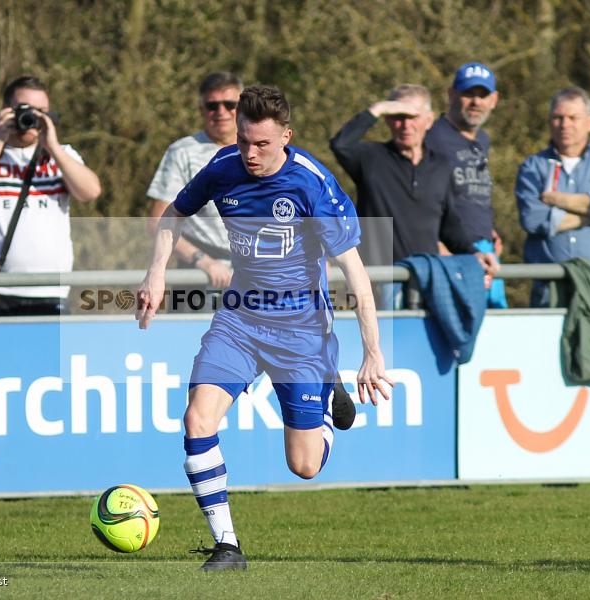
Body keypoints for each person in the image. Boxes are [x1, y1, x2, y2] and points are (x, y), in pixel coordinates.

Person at [136, 85, 393, 571]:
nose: (250, 154)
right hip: (239, 319)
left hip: (301, 331)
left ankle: (325, 384)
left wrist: (373, 352)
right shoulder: (223, 167)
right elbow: (173, 214)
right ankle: (227, 546)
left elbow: (355, 273)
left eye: (262, 145)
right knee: (197, 418)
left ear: (286, 137)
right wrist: (156, 272)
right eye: (244, 141)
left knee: (304, 466)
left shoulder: (312, 184)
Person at [330, 84, 498, 308]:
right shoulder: (371, 158)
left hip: (429, 282)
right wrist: (377, 109)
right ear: (388, 120)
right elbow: (341, 144)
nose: (405, 125)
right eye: (397, 116)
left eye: (413, 117)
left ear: (429, 121)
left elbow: (449, 226)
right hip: (379, 283)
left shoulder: (441, 166)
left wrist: (474, 253)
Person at [0, 75, 102, 316]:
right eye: (25, 110)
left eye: (41, 112)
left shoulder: (63, 155)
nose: (31, 119)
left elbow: (90, 192)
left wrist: (52, 146)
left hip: (51, 289)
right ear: (6, 111)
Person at [515, 86, 590, 307]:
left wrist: (558, 200)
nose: (565, 125)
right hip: (549, 285)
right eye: (558, 117)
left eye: (573, 117)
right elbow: (532, 219)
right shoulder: (533, 166)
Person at [146, 71, 242, 294]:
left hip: (254, 276)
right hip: (199, 279)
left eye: (230, 104)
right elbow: (157, 221)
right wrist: (203, 261)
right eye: (212, 106)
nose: (221, 112)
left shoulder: (261, 149)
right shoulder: (183, 151)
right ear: (201, 109)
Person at [425, 62, 508, 308]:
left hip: (485, 250)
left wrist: (489, 230)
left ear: (494, 100)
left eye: (482, 95)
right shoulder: (432, 137)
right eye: (468, 94)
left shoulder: (483, 139)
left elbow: (470, 193)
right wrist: (437, 243)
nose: (476, 102)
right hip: (453, 252)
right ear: (451, 94)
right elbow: (420, 196)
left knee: (494, 322)